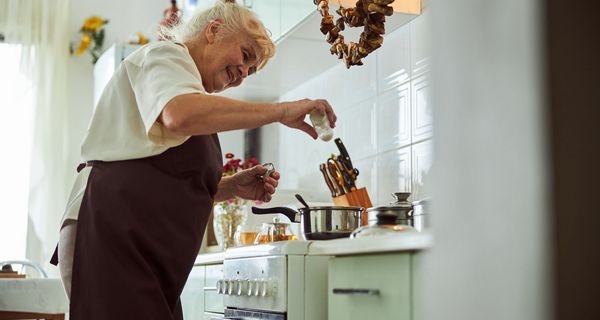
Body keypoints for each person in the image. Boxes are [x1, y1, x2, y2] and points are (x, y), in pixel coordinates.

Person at [50, 0, 337, 318]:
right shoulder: (166, 57)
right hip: (111, 235)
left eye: (251, 70)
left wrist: (230, 188)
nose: (243, 74)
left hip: (143, 247)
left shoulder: (189, 93)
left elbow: (163, 181)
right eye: (244, 56)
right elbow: (179, 116)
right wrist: (281, 110)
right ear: (213, 31)